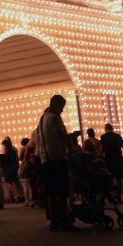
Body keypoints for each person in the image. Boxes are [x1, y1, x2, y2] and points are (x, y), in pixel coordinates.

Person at [37, 95, 76, 231]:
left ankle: (55, 220)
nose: (62, 111)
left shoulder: (42, 119)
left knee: (51, 193)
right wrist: (71, 144)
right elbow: (61, 136)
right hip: (57, 159)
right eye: (61, 107)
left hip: (45, 160)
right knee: (61, 192)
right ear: (56, 105)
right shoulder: (54, 118)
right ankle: (64, 221)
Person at [99, 124, 123, 203]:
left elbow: (101, 150)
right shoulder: (117, 136)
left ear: (105, 129)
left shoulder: (103, 137)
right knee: (119, 179)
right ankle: (119, 197)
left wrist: (101, 159)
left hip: (108, 161)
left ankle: (112, 197)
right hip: (118, 160)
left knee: (110, 179)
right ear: (112, 129)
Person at [0, 138, 24, 203]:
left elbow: (6, 160)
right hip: (13, 168)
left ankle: (16, 195)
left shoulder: (8, 151)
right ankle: (14, 197)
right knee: (11, 182)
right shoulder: (13, 150)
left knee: (8, 182)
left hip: (8, 169)